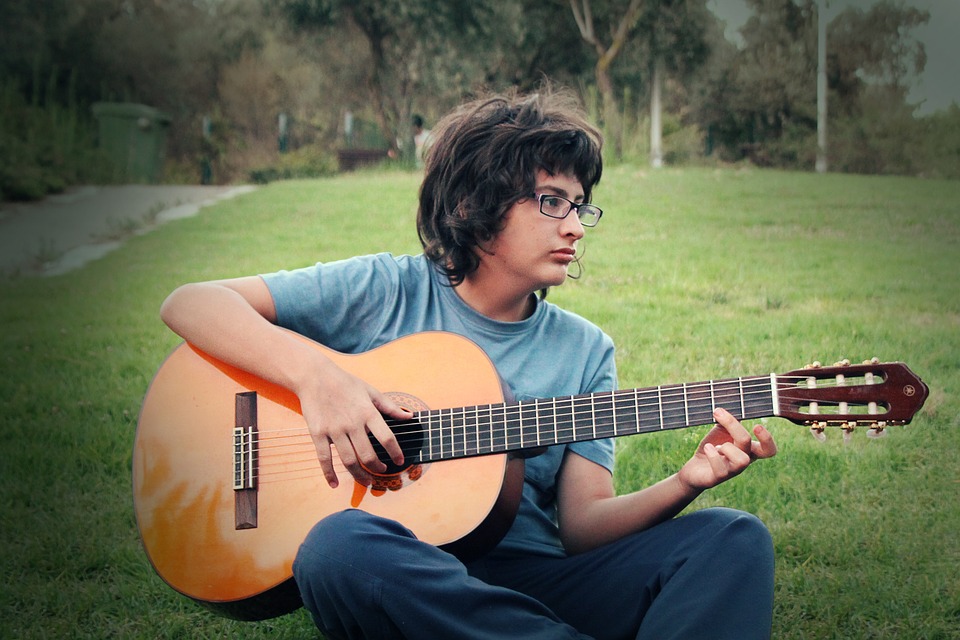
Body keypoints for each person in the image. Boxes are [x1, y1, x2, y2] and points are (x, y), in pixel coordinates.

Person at [160, 88, 777, 639]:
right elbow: (192, 303)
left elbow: (583, 528)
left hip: (532, 584)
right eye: (551, 201)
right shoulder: (388, 289)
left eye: (580, 205)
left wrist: (685, 483)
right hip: (407, 572)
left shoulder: (585, 350)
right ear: (472, 204)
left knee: (732, 537)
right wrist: (323, 381)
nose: (577, 227)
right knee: (335, 548)